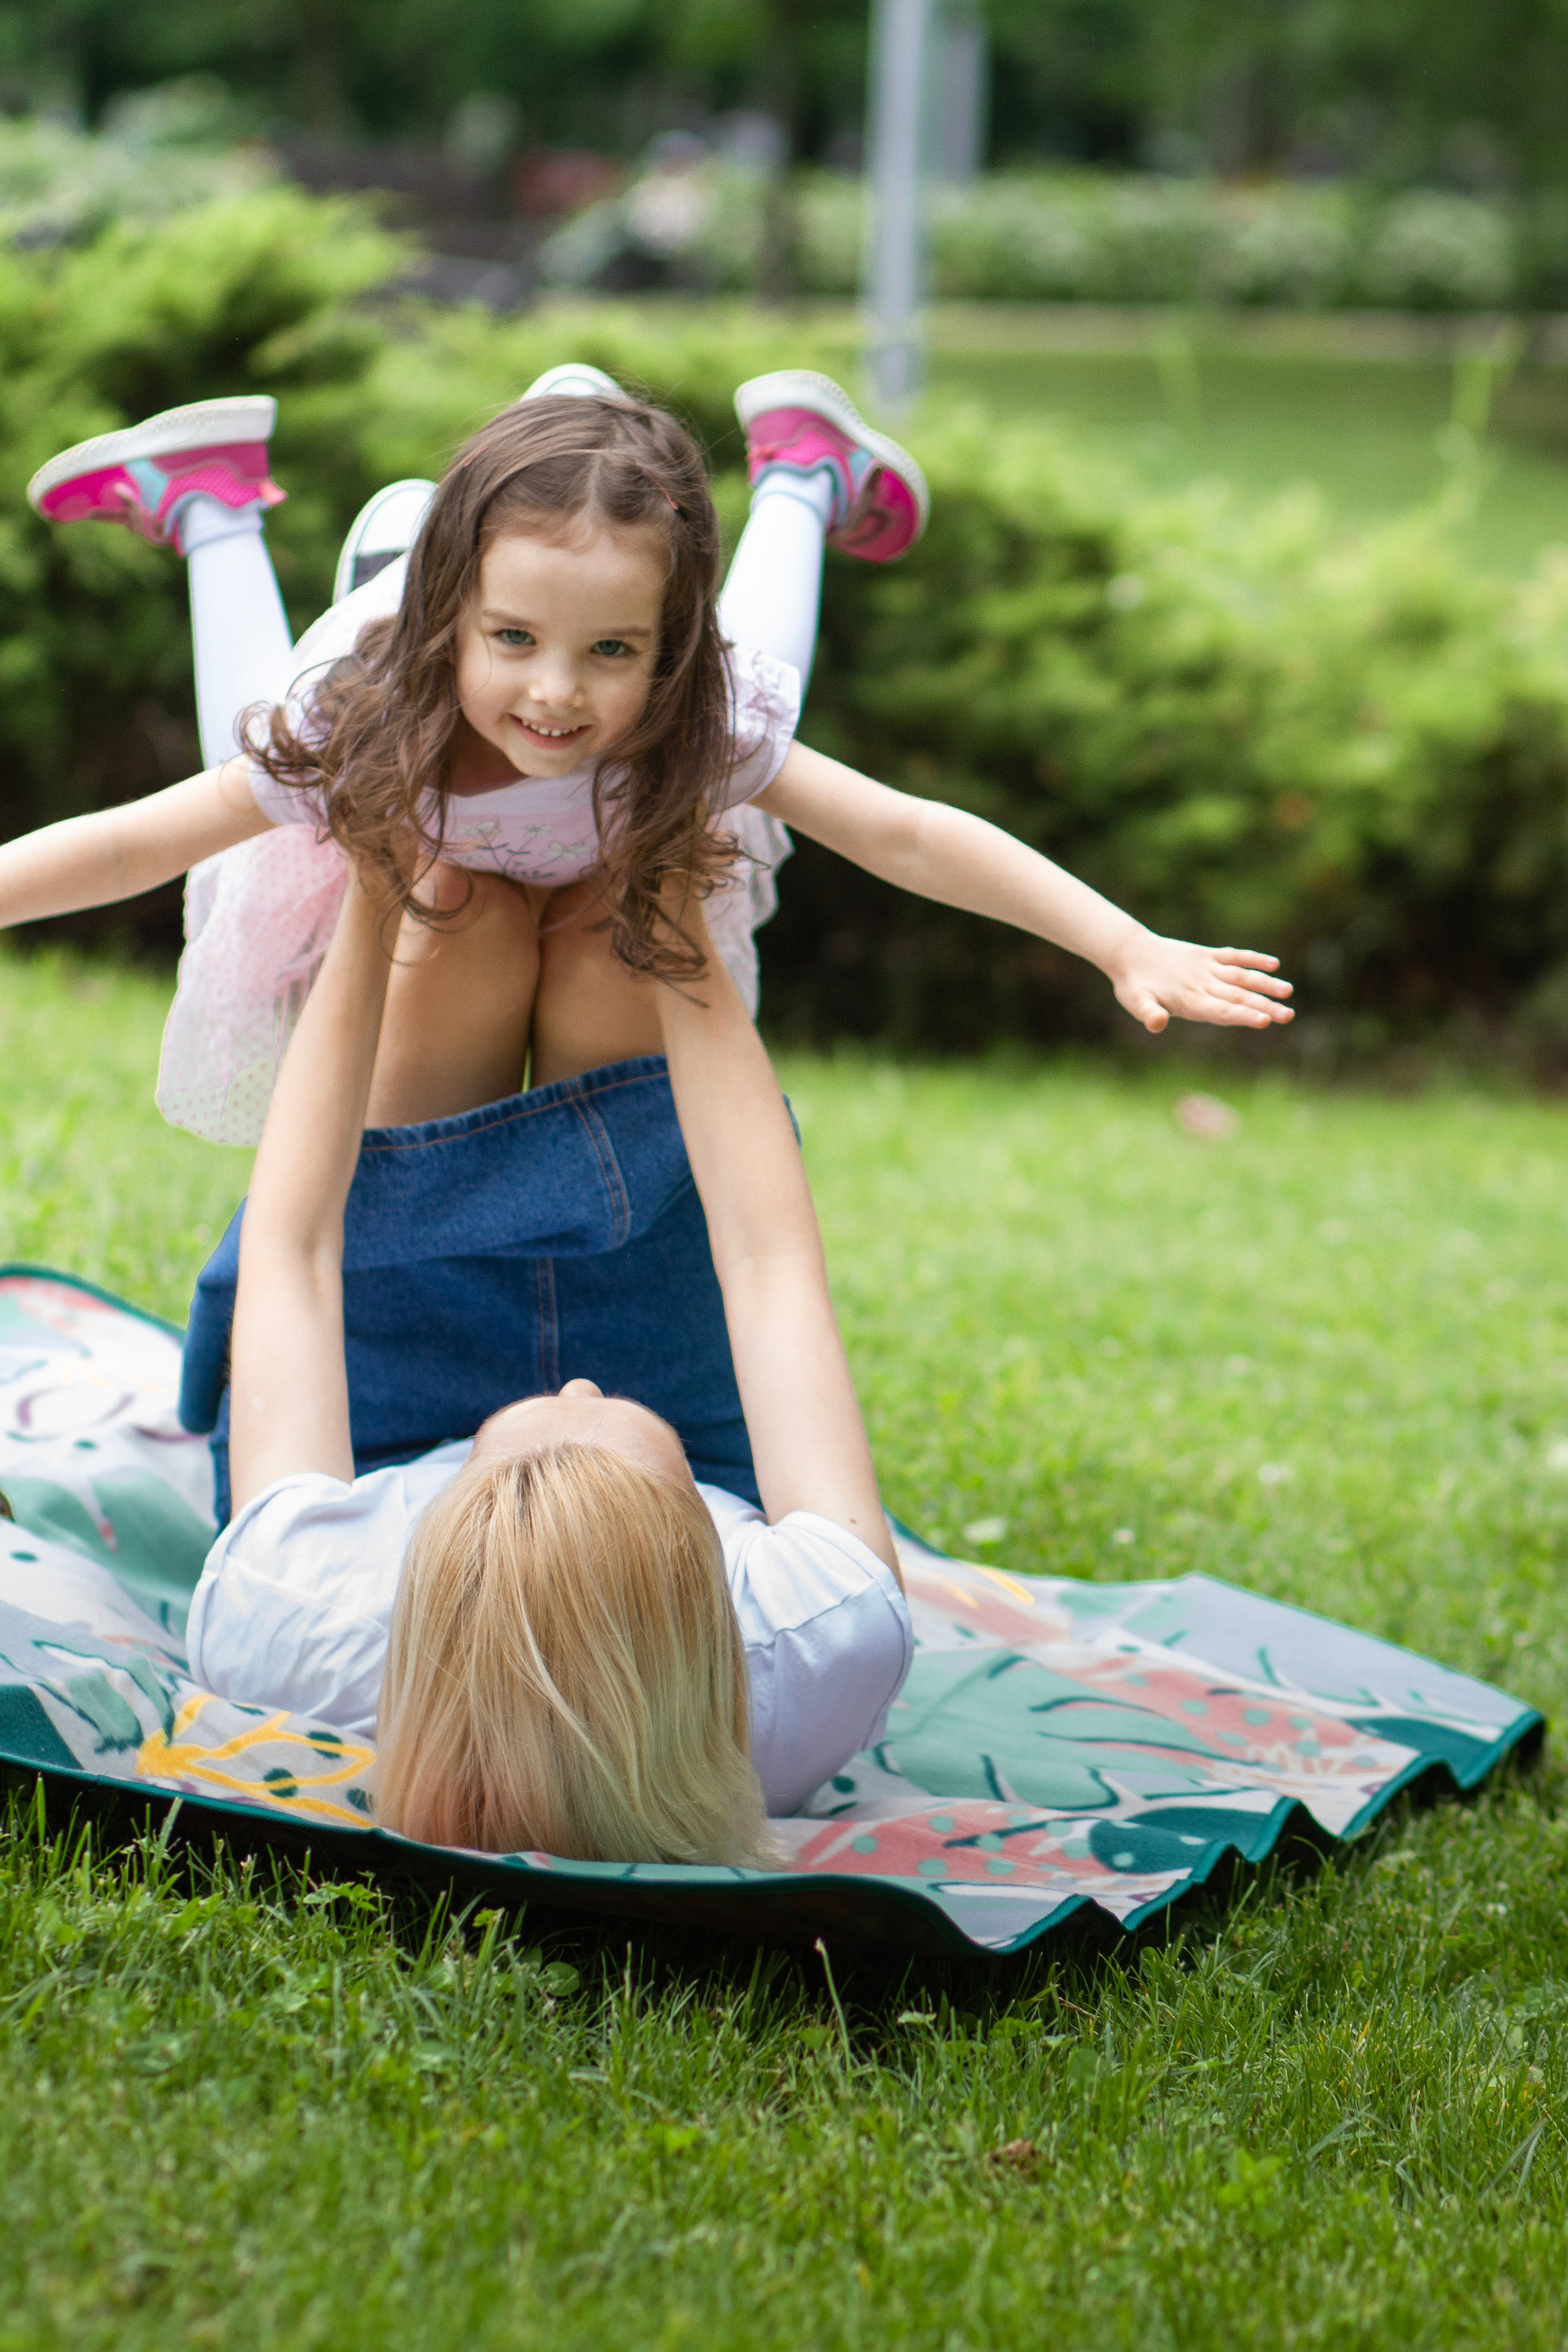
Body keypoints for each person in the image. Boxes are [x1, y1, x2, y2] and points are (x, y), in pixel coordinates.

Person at [16, 364, 1294, 1151]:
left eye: (613, 652)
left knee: (753, 699)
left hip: (619, 752)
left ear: (667, 647)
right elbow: (133, 841)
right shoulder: (373, 716)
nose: (557, 695)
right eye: (515, 641)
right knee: (255, 762)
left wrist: (1119, 941)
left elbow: (902, 831)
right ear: (451, 616)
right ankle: (214, 507)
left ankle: (801, 479)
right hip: (394, 707)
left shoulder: (690, 706)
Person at [185, 852, 913, 1862]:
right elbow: (766, 1262)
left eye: (519, 1442)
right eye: (602, 1417)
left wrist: (372, 893)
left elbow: (295, 1245)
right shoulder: (814, 1647)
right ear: (706, 1586)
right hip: (677, 1370)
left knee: (454, 914)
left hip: (385, 1426)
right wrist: (684, 909)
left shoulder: (303, 1616)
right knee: (622, 930)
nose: (573, 1383)